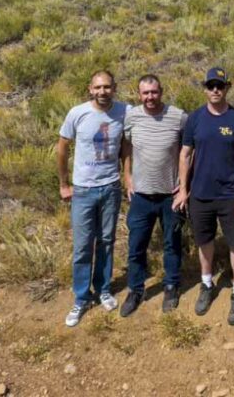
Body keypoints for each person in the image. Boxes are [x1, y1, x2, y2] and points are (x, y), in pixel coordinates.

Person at [172, 67, 234, 325]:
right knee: (204, 241)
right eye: (211, 86)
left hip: (231, 194)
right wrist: (184, 190)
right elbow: (185, 155)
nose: (215, 90)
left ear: (227, 87)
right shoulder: (195, 119)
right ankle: (207, 284)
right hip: (201, 194)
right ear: (205, 88)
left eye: (220, 85)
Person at [56, 70, 127, 327]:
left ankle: (104, 288)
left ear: (114, 88)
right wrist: (64, 184)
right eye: (98, 87)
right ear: (90, 88)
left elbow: (126, 146)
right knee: (83, 245)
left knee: (107, 240)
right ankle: (81, 297)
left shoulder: (123, 111)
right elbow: (62, 147)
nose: (102, 92)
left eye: (107, 87)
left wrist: (127, 176)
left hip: (110, 187)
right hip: (83, 189)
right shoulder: (77, 113)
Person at [120, 74, 188, 316]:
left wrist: (184, 185)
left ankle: (171, 286)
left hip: (171, 194)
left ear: (161, 92)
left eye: (154, 92)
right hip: (141, 195)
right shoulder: (132, 116)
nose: (150, 97)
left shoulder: (178, 116)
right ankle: (135, 290)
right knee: (136, 245)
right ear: (139, 94)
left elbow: (188, 151)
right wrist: (127, 176)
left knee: (172, 244)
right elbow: (126, 146)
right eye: (145, 93)